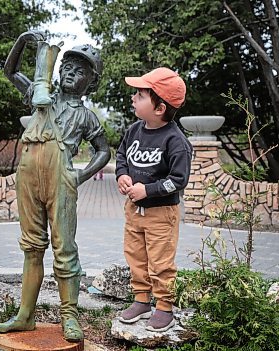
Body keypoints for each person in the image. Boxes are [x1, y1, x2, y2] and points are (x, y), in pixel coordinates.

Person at [0, 31, 110, 342]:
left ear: (91, 83)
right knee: (31, 247)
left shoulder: (86, 116)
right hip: (28, 173)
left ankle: (69, 315)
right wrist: (21, 42)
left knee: (65, 249)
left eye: (80, 70)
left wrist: (80, 176)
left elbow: (103, 150)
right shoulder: (40, 94)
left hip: (61, 178)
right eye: (67, 66)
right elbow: (10, 71)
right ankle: (24, 315)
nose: (71, 72)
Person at [115, 67, 192, 332]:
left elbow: (178, 180)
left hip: (161, 214)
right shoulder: (134, 130)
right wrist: (122, 176)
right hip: (133, 211)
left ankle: (164, 308)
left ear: (159, 107)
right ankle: (141, 301)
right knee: (135, 256)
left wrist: (148, 190)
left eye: (140, 94)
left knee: (160, 262)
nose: (133, 98)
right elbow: (122, 155)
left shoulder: (175, 141)